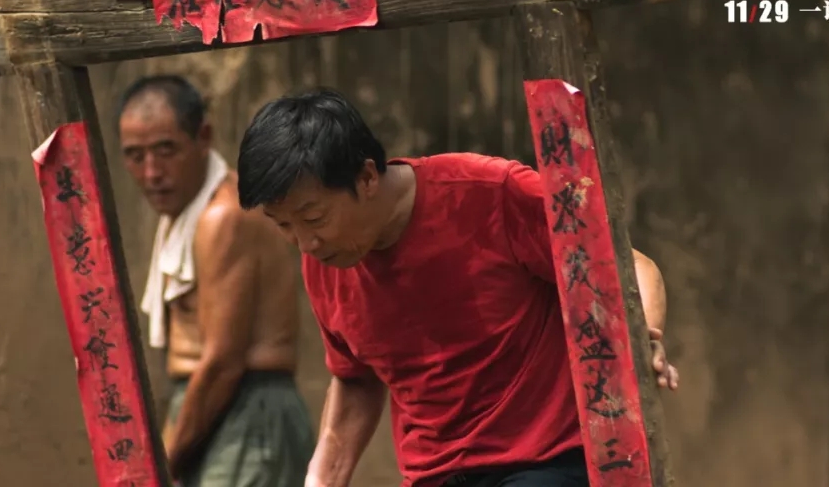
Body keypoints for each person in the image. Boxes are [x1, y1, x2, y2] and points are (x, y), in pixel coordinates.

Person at [235, 89, 679, 487]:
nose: (305, 243)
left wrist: (642, 338)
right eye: (283, 226)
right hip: (436, 474)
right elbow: (355, 381)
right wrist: (321, 478)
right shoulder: (325, 261)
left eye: (314, 218)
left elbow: (630, 267)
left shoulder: (490, 193)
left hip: (550, 461)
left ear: (367, 178)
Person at [116, 75, 315, 486]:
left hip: (246, 414)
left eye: (166, 150)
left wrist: (163, 464)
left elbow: (223, 363)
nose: (151, 172)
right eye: (135, 156)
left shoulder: (222, 217)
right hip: (215, 411)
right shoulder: (188, 213)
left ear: (203, 138)